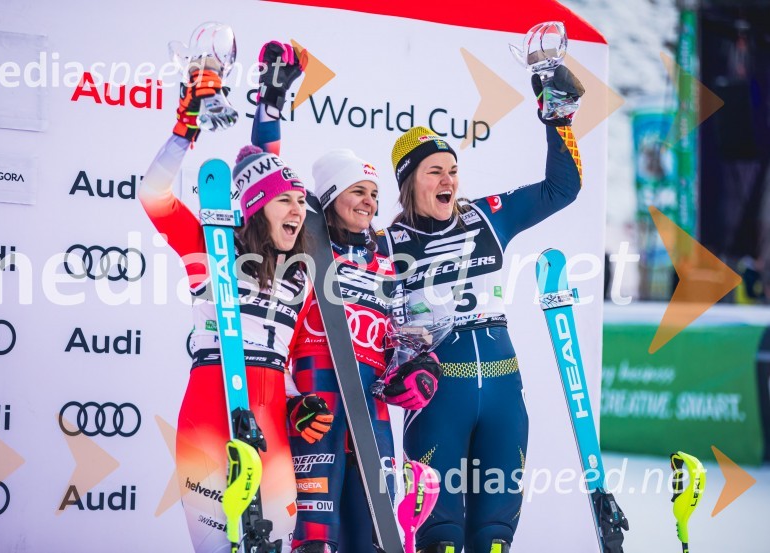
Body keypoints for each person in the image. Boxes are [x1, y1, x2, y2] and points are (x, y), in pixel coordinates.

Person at [378, 66, 585, 553]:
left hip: (502, 392)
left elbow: (563, 189)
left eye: (453, 169)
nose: (449, 179)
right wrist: (393, 373)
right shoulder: (385, 244)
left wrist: (558, 122)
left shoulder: (486, 215)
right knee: (440, 535)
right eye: (436, 171)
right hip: (437, 398)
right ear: (410, 182)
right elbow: (371, 335)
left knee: (494, 536)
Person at [251, 42, 442, 553]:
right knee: (316, 534)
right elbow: (267, 175)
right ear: (331, 197)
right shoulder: (307, 234)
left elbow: (398, 329)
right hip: (315, 387)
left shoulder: (384, 254)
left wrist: (412, 368)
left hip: (370, 395)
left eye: (374, 194)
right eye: (358, 191)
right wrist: (270, 102)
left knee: (375, 530)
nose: (369, 202)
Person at [139, 56, 325, 552]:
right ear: (256, 207)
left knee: (275, 546)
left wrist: (296, 402)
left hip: (271, 423)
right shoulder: (207, 248)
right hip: (209, 409)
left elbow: (290, 361)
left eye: (302, 202)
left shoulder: (302, 276)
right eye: (285, 200)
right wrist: (185, 128)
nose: (298, 210)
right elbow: (153, 195)